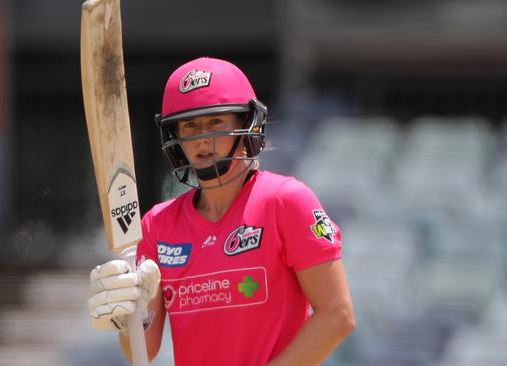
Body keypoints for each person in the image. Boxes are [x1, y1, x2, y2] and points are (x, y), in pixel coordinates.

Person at [88, 57, 355, 366]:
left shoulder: (286, 201)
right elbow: (143, 351)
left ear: (245, 124)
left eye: (215, 122)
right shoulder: (157, 225)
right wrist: (128, 318)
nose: (202, 138)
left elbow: (338, 315)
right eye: (189, 125)